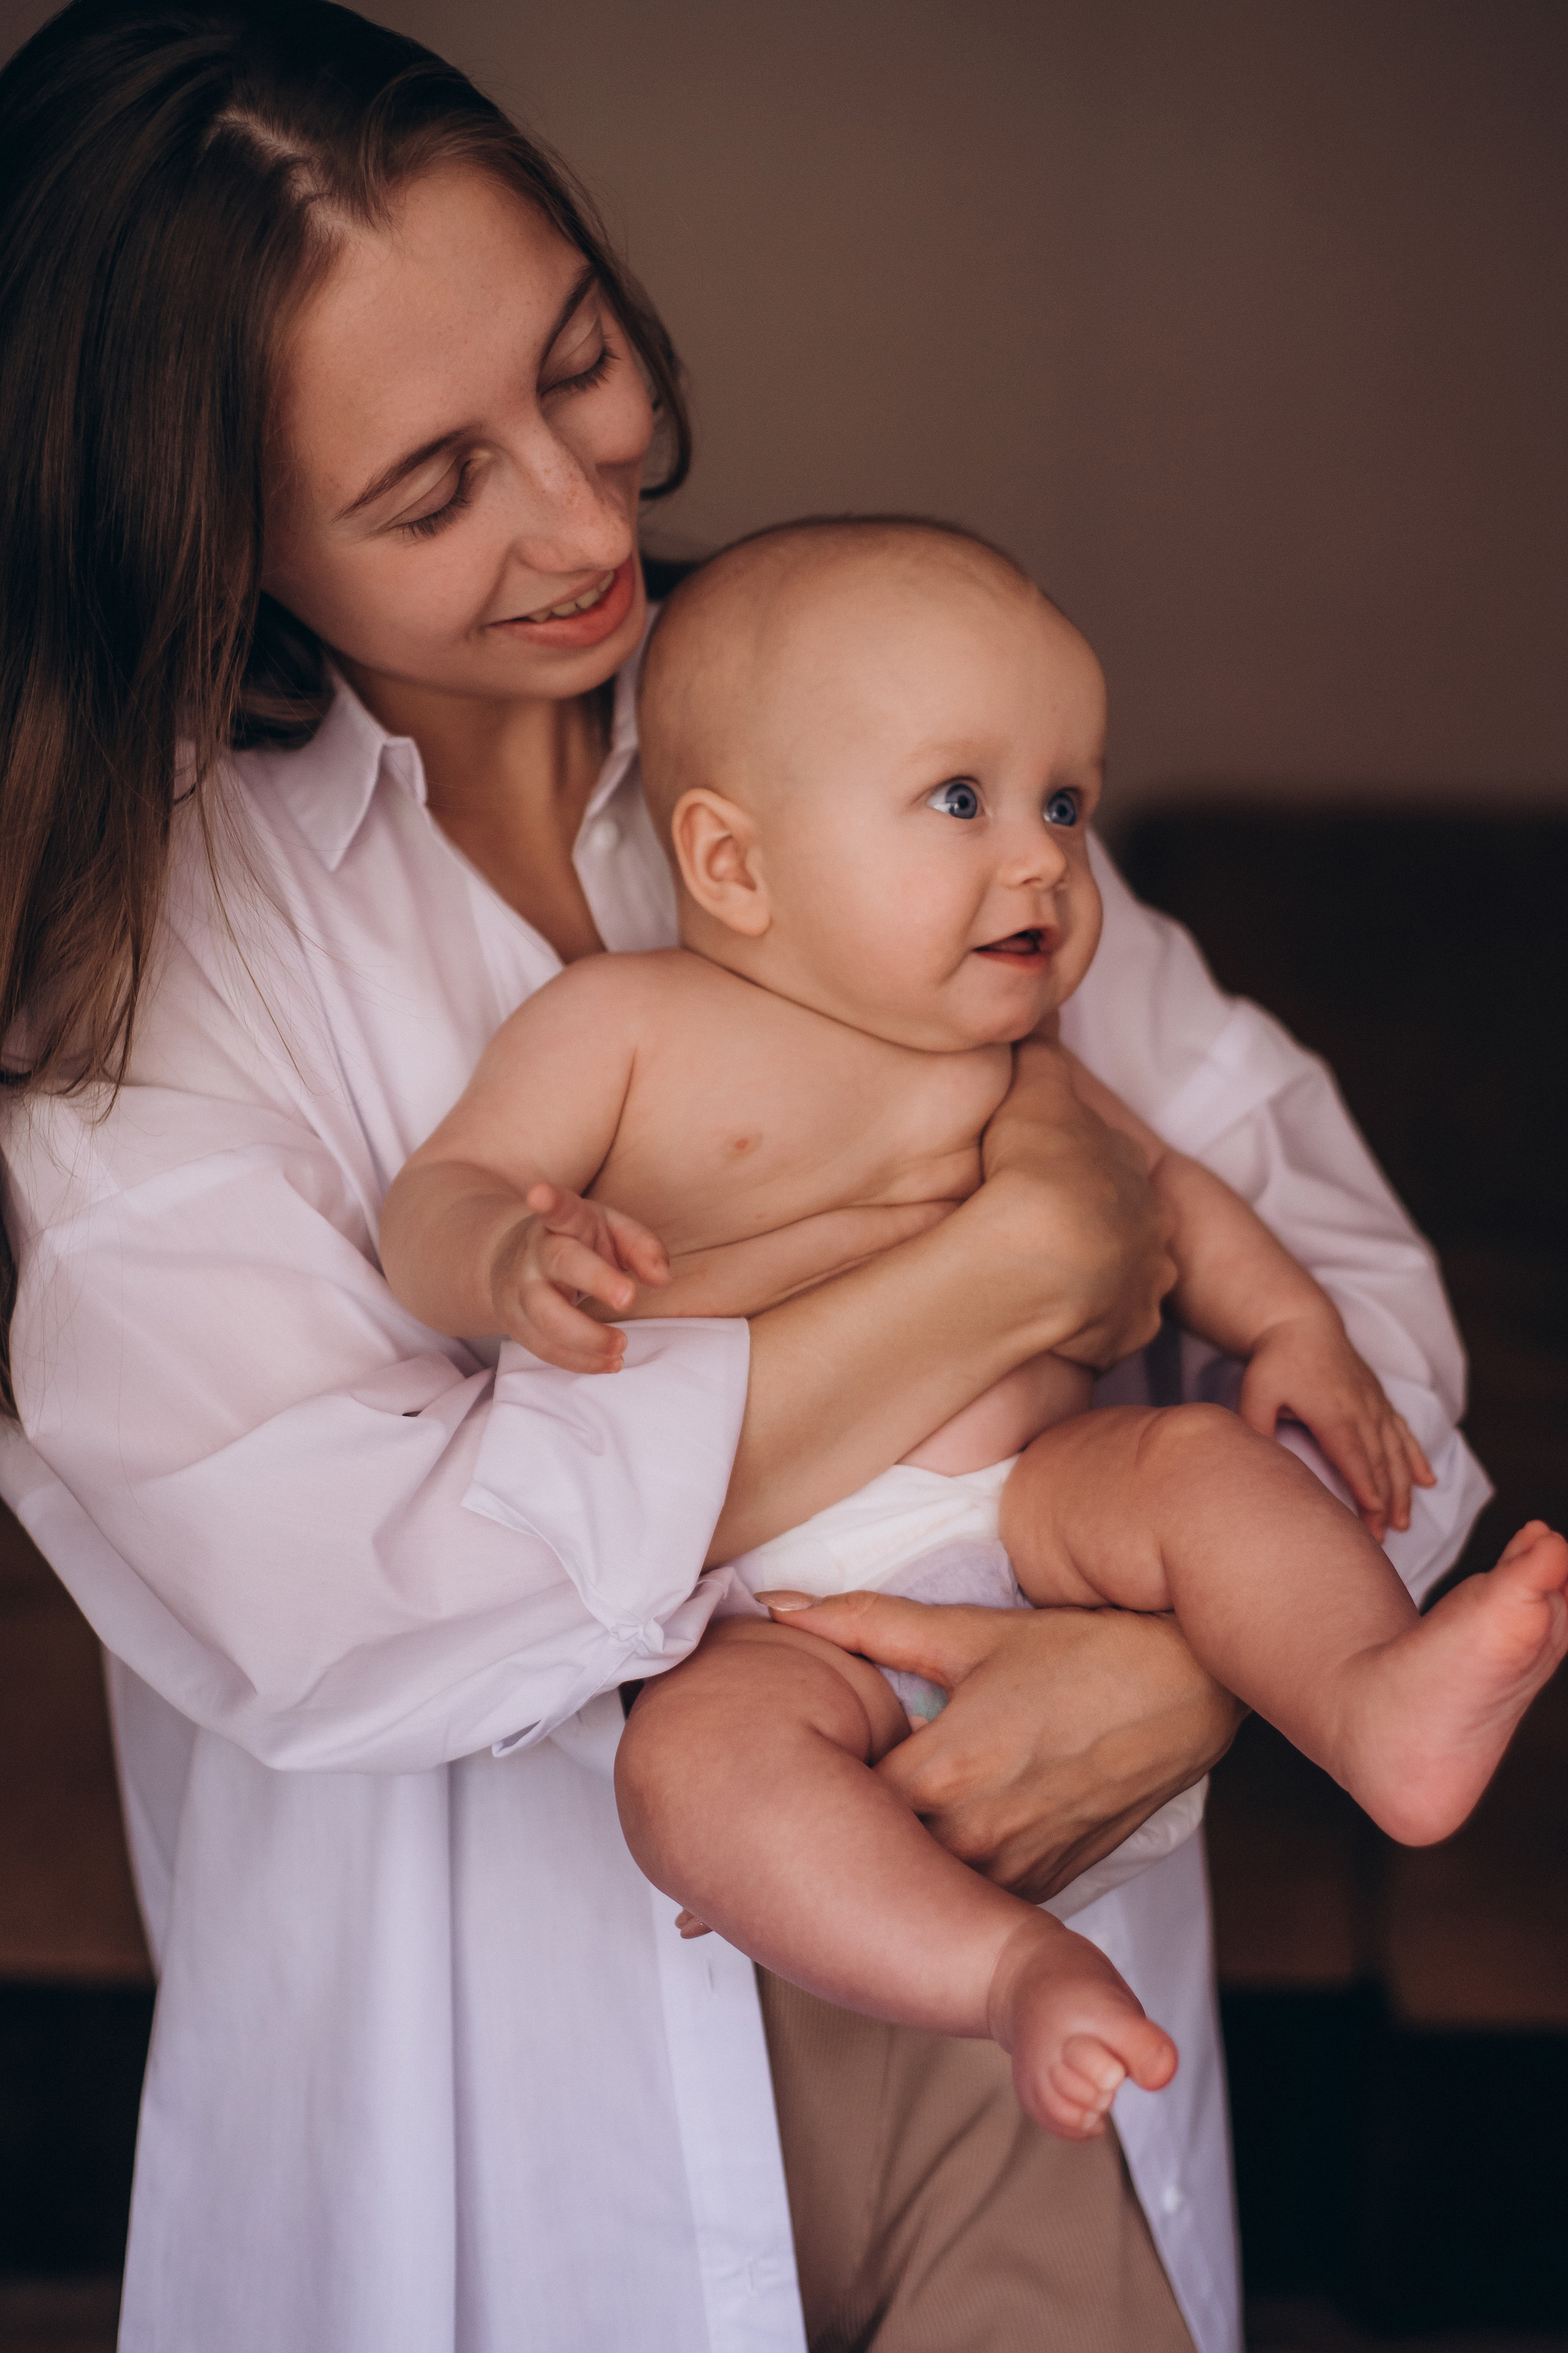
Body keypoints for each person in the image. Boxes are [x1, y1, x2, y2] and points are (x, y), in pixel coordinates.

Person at [0, 6, 1489, 2351]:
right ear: (216, 540)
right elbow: (337, 1599)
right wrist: (1016, 1254)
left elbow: (1330, 1259)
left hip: (1023, 2050)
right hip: (505, 2104)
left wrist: (1201, 1656)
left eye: (579, 366)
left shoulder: (857, 706)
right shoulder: (156, 975)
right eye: (430, 491)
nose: (590, 521)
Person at [380, 516, 1566, 2139]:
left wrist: (1287, 1325)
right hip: (774, 1601)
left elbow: (1176, 1201)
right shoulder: (628, 1029)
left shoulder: (1023, 1054)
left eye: (1065, 802)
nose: (1046, 863)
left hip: (1037, 1506)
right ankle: (1005, 1972)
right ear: (733, 862)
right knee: (691, 1776)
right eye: (964, 801)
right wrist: (511, 1254)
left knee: (1210, 1466)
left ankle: (1375, 1700)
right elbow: (437, 1195)